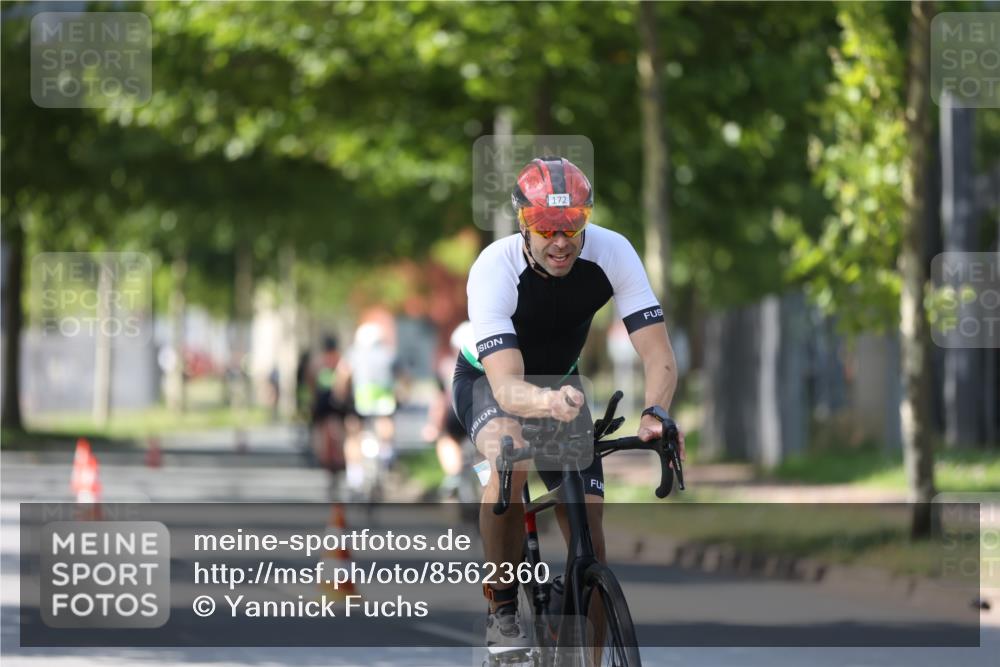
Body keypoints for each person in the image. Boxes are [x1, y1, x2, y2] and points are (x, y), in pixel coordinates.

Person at [451, 156, 686, 654]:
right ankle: (503, 612)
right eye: (546, 228)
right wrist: (547, 402)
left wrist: (656, 413)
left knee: (591, 537)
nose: (561, 242)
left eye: (572, 226)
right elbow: (509, 386)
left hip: (560, 384)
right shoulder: (495, 268)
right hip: (491, 383)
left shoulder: (613, 251)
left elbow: (659, 355)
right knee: (508, 459)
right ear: (524, 224)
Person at [307, 335, 350, 474]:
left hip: (322, 398)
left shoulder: (318, 361)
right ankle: (338, 455)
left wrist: (313, 396)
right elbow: (346, 379)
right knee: (340, 428)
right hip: (336, 399)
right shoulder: (341, 360)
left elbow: (311, 379)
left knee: (320, 427)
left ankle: (323, 455)